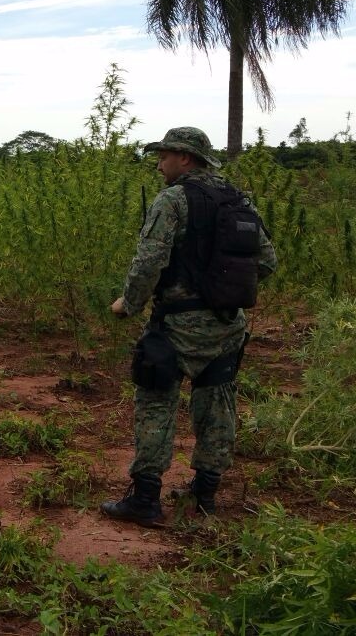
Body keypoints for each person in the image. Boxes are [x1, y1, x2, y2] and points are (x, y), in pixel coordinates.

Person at [103, 127, 277, 526]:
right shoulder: (238, 199)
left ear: (185, 158)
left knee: (155, 402)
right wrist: (220, 289)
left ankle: (146, 499)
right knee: (218, 407)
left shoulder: (173, 200)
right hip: (227, 325)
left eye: (164, 156)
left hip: (177, 326)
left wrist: (128, 304)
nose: (159, 163)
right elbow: (266, 261)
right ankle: (205, 496)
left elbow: (149, 260)